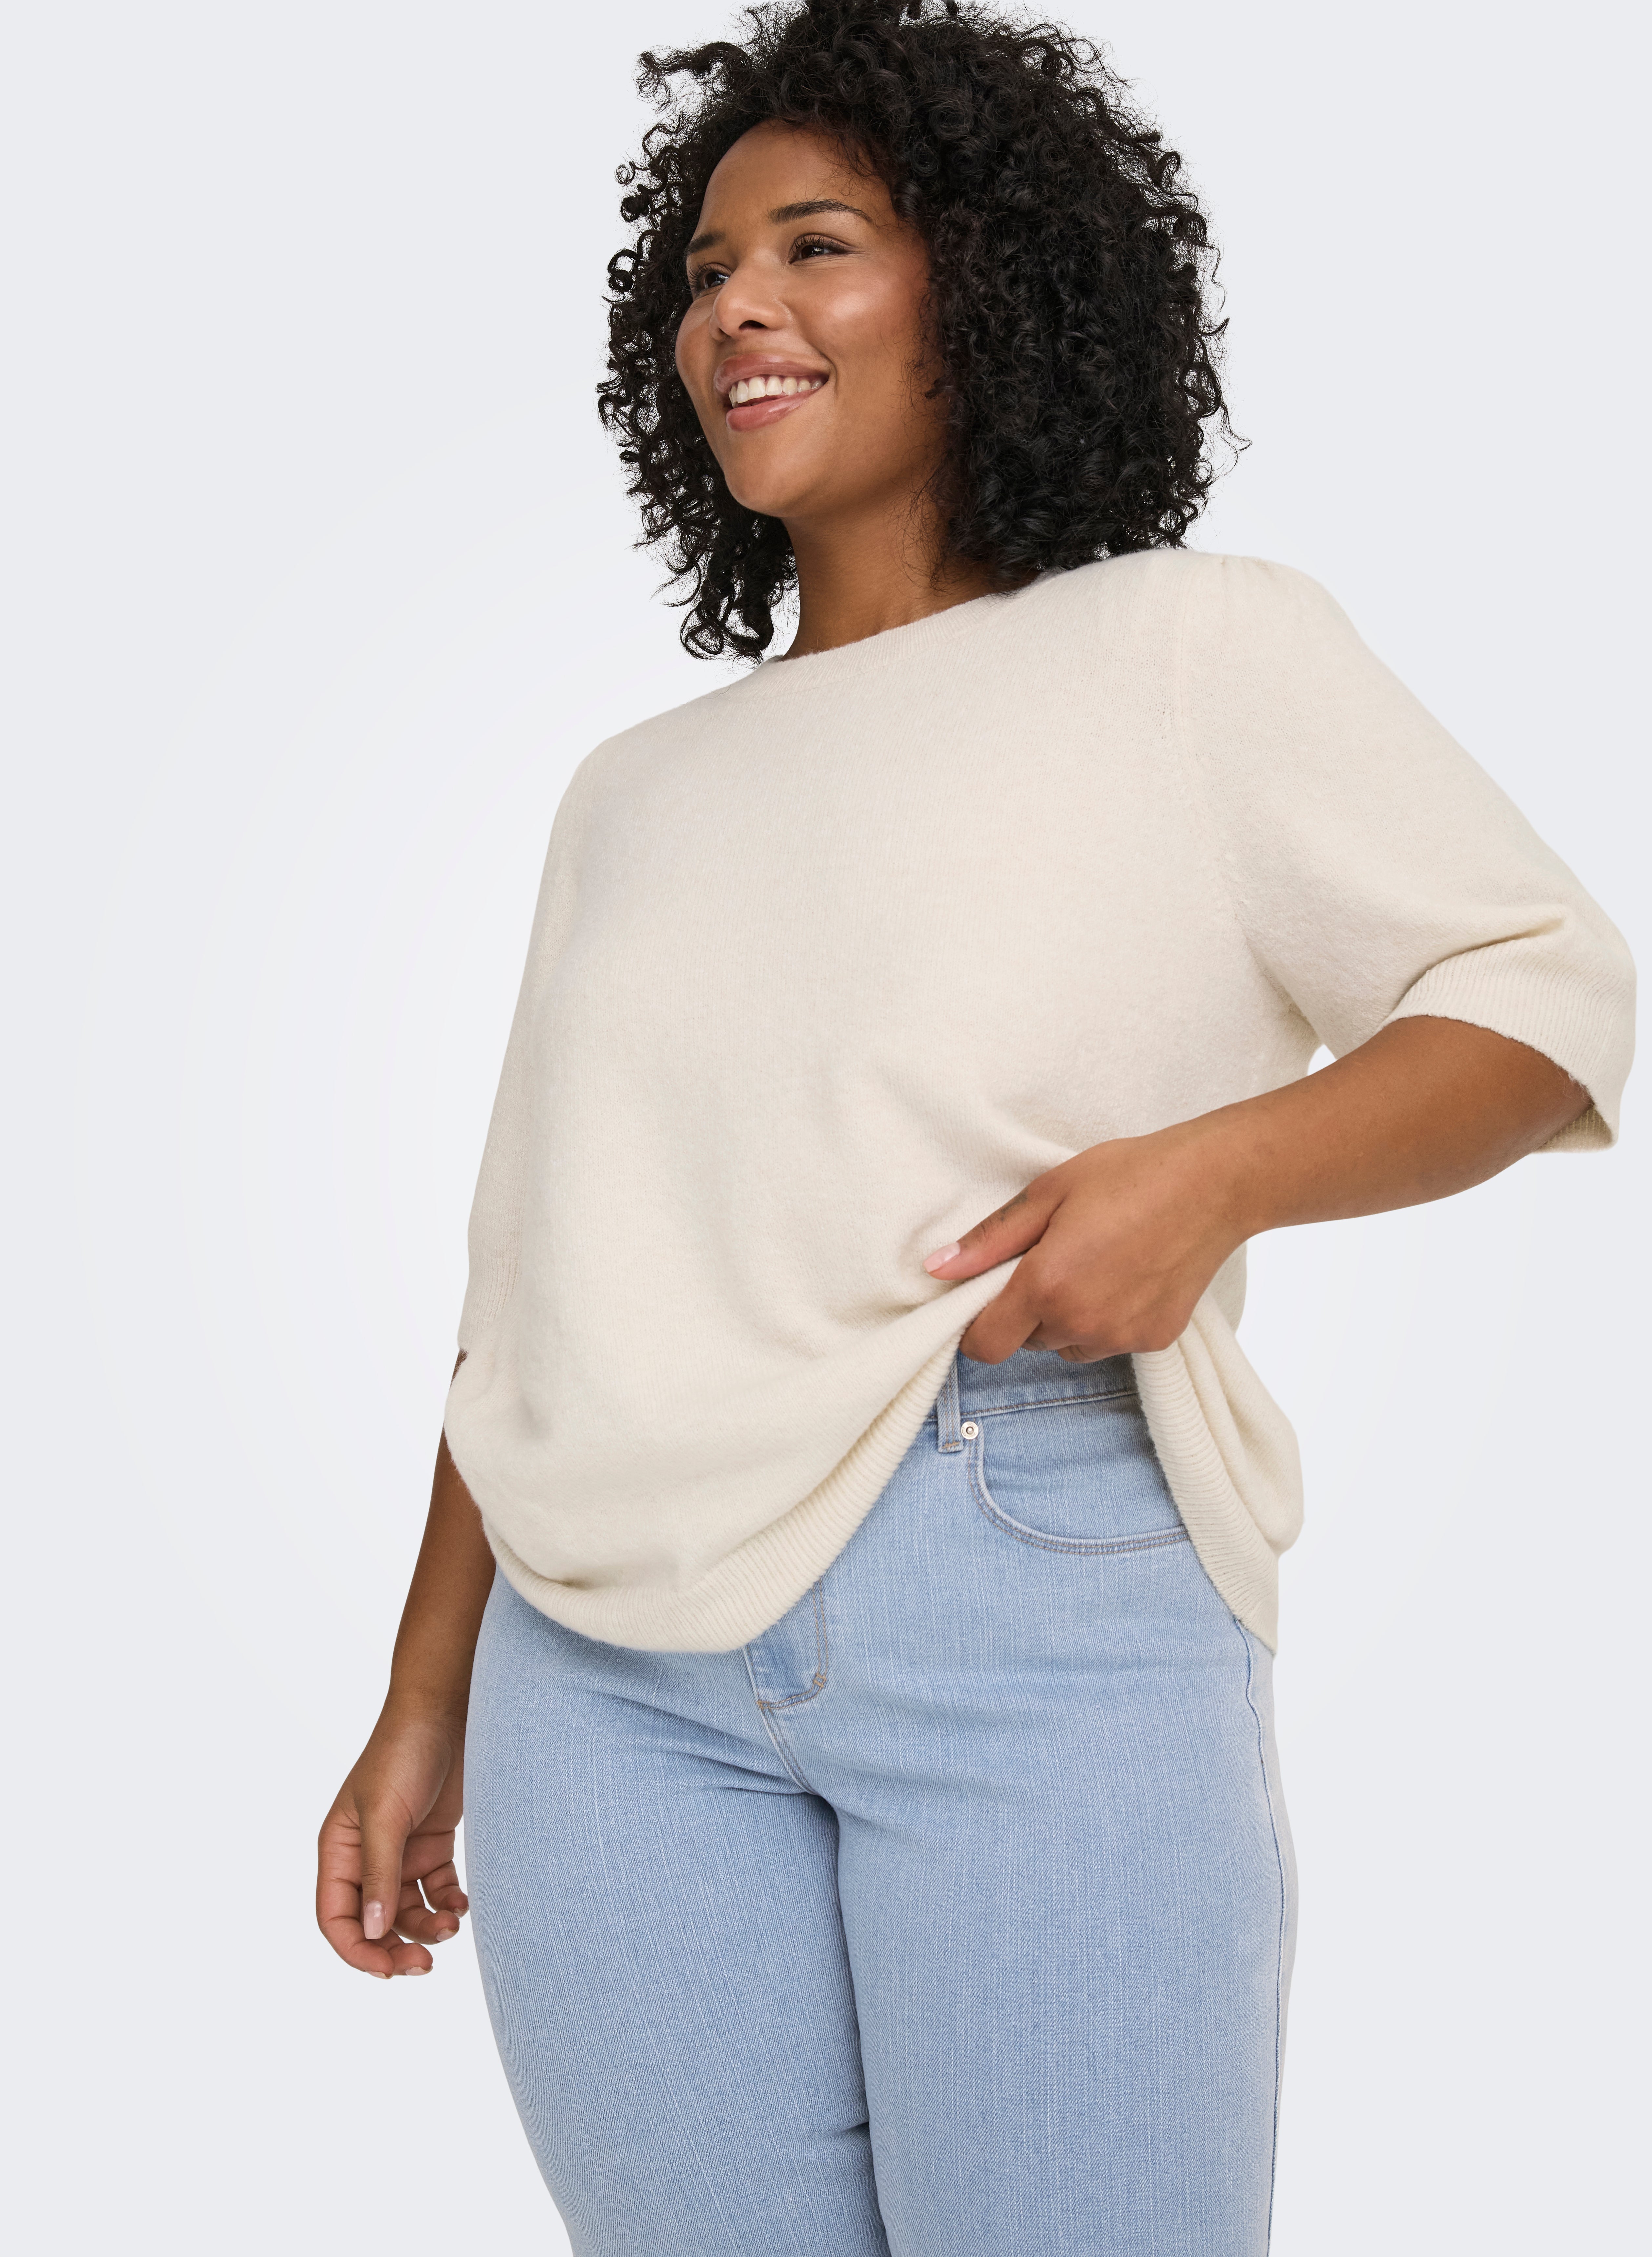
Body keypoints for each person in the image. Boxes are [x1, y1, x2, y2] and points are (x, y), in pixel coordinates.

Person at [315, 4, 1635, 2251]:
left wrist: (1210, 1176)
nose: (736, 308)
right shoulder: (632, 792)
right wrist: (423, 1689)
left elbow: (1545, 998)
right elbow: (527, 1287)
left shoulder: (1194, 651)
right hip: (596, 1668)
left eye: (815, 246)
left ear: (991, 284)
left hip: (1025, 1561)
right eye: (706, 271)